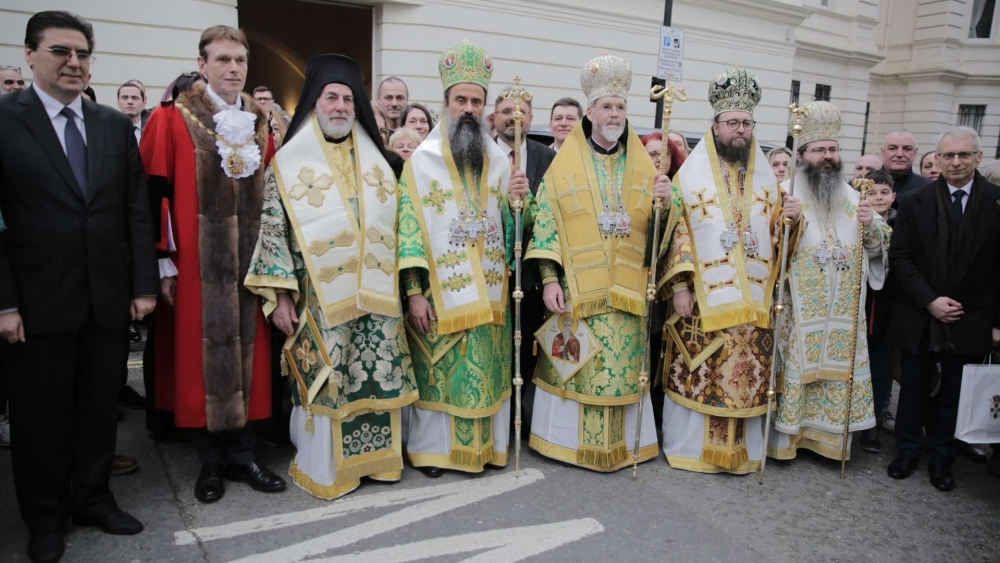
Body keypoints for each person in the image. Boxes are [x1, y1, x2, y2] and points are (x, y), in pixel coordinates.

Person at [0, 11, 158, 562]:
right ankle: (45, 518)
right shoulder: (4, 119)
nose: (73, 62)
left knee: (96, 410)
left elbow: (136, 211)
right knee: (40, 417)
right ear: (30, 55)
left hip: (107, 297)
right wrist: (5, 302)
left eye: (83, 54)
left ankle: (93, 497)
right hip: (35, 303)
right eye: (61, 51)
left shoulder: (112, 124)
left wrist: (144, 285)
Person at [245, 54, 417, 499]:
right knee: (331, 376)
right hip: (318, 296)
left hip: (378, 296)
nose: (340, 106)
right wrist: (280, 297)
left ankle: (376, 464)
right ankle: (328, 467)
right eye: (331, 97)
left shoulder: (381, 163)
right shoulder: (286, 163)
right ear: (315, 104)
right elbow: (271, 230)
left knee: (376, 373)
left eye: (346, 98)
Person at [140, 25, 285, 505]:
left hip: (251, 266)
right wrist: (162, 261)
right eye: (222, 60)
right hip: (196, 265)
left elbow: (275, 199)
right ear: (202, 65)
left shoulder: (262, 123)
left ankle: (243, 455)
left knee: (251, 360)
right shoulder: (172, 118)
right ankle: (209, 461)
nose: (232, 69)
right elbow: (153, 195)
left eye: (239, 61)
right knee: (200, 364)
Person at [524, 51, 660, 472]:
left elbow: (657, 233)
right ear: (591, 113)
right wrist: (549, 279)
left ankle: (619, 445)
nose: (614, 113)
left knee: (619, 370)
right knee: (579, 369)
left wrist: (664, 207)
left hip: (626, 290)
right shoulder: (565, 163)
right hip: (579, 291)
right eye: (607, 106)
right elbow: (545, 220)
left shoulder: (641, 164)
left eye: (620, 106)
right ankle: (564, 443)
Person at [398, 40, 528, 477]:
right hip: (441, 296)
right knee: (442, 372)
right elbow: (410, 232)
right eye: (461, 100)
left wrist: (517, 207)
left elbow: (512, 239)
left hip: (489, 297)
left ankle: (487, 450)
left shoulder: (500, 165)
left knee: (484, 373)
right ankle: (435, 453)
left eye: (476, 100)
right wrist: (414, 293)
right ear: (446, 103)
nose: (469, 108)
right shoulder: (420, 164)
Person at [659, 68, 792, 474]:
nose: (740, 130)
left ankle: (741, 454)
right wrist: (679, 285)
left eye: (746, 123)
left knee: (745, 374)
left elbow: (778, 240)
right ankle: (692, 451)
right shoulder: (691, 174)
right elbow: (676, 230)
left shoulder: (768, 180)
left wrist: (791, 221)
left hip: (752, 306)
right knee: (703, 371)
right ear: (715, 127)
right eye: (732, 122)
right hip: (703, 302)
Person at [769, 100, 890, 463]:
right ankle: (788, 440)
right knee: (798, 366)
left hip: (842, 312)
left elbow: (881, 244)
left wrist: (871, 225)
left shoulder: (854, 196)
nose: (827, 155)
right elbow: (771, 244)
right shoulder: (785, 191)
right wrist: (785, 222)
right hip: (799, 308)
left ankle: (830, 442)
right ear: (802, 154)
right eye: (819, 149)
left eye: (832, 149)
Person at [888, 126, 1000, 492]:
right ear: (936, 159)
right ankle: (906, 451)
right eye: (948, 156)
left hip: (973, 316)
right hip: (921, 313)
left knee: (956, 392)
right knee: (913, 387)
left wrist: (996, 323)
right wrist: (931, 301)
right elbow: (901, 258)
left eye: (964, 155)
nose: (955, 162)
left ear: (978, 158)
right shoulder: (916, 201)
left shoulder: (996, 202)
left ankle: (942, 460)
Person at [492, 84, 557, 437]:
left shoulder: (548, 157)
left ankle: (523, 418)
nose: (513, 118)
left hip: (532, 274)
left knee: (529, 348)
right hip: (492, 271)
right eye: (506, 112)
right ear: (494, 116)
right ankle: (498, 418)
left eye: (521, 113)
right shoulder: (483, 153)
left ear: (532, 118)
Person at [858, 169, 897, 454]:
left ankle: (874, 423)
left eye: (884, 192)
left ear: (893, 196)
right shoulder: (855, 221)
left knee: (881, 368)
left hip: (888, 308)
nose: (879, 197)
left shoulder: (902, 221)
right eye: (872, 193)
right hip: (859, 305)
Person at [881, 130, 931, 198]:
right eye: (892, 148)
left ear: (915, 153)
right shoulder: (865, 183)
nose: (899, 154)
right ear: (882, 152)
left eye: (907, 149)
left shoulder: (928, 188)